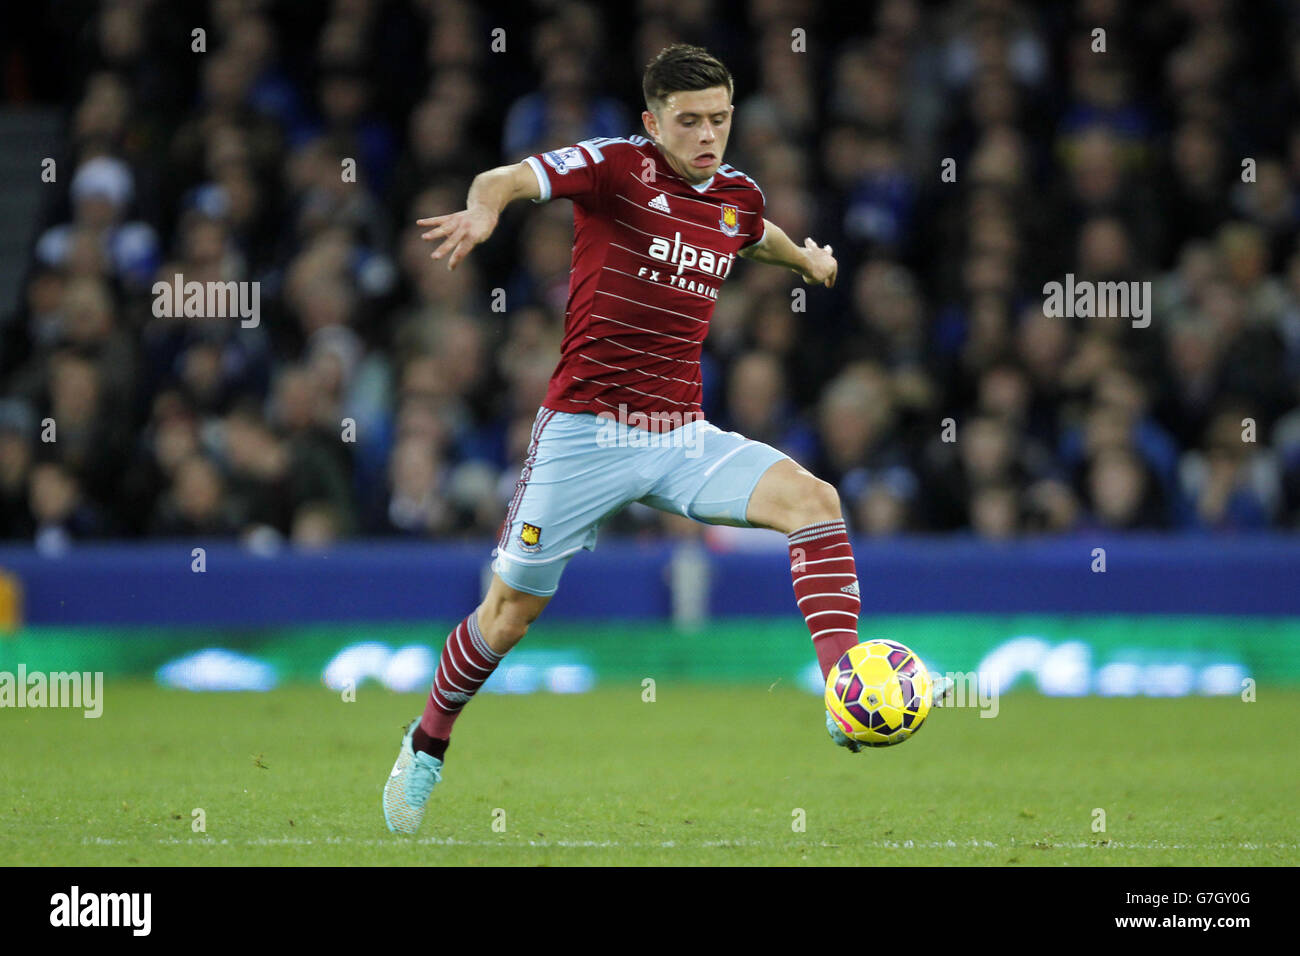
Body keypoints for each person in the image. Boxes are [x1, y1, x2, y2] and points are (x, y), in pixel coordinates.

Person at [383, 44, 948, 835]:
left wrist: (807, 260)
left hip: (678, 433)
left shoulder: (736, 196)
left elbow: (753, 233)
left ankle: (842, 692)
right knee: (508, 614)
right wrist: (487, 208)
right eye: (689, 122)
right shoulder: (616, 168)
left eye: (720, 118)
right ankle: (429, 738)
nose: (708, 135)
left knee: (814, 502)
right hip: (582, 434)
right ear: (654, 123)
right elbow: (508, 177)